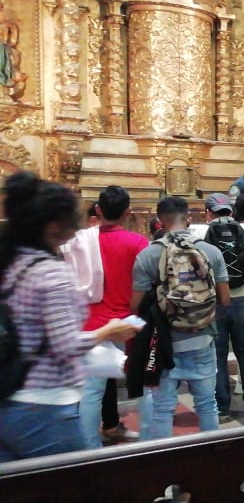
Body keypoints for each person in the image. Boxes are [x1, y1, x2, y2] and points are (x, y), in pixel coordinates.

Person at [0, 173, 140, 462]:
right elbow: (65, 345)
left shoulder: (14, 263)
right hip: (44, 402)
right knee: (73, 480)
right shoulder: (51, 273)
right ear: (53, 225)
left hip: (11, 393)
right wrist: (108, 331)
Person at [131, 196, 230, 440]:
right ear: (188, 218)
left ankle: (166, 459)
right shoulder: (211, 251)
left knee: (163, 409)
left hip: (164, 343)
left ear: (160, 220)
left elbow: (135, 305)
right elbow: (225, 299)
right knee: (207, 404)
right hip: (203, 338)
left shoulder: (148, 255)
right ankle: (212, 454)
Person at [75, 187, 150, 449]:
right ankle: (92, 448)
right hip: (124, 324)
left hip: (90, 323)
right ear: (128, 212)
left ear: (98, 210)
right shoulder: (138, 243)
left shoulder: (81, 240)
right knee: (131, 385)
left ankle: (96, 439)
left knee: (93, 390)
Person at [195, 193, 244, 421]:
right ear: (231, 211)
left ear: (208, 212)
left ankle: (223, 408)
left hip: (215, 300)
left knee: (218, 355)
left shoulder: (199, 233)